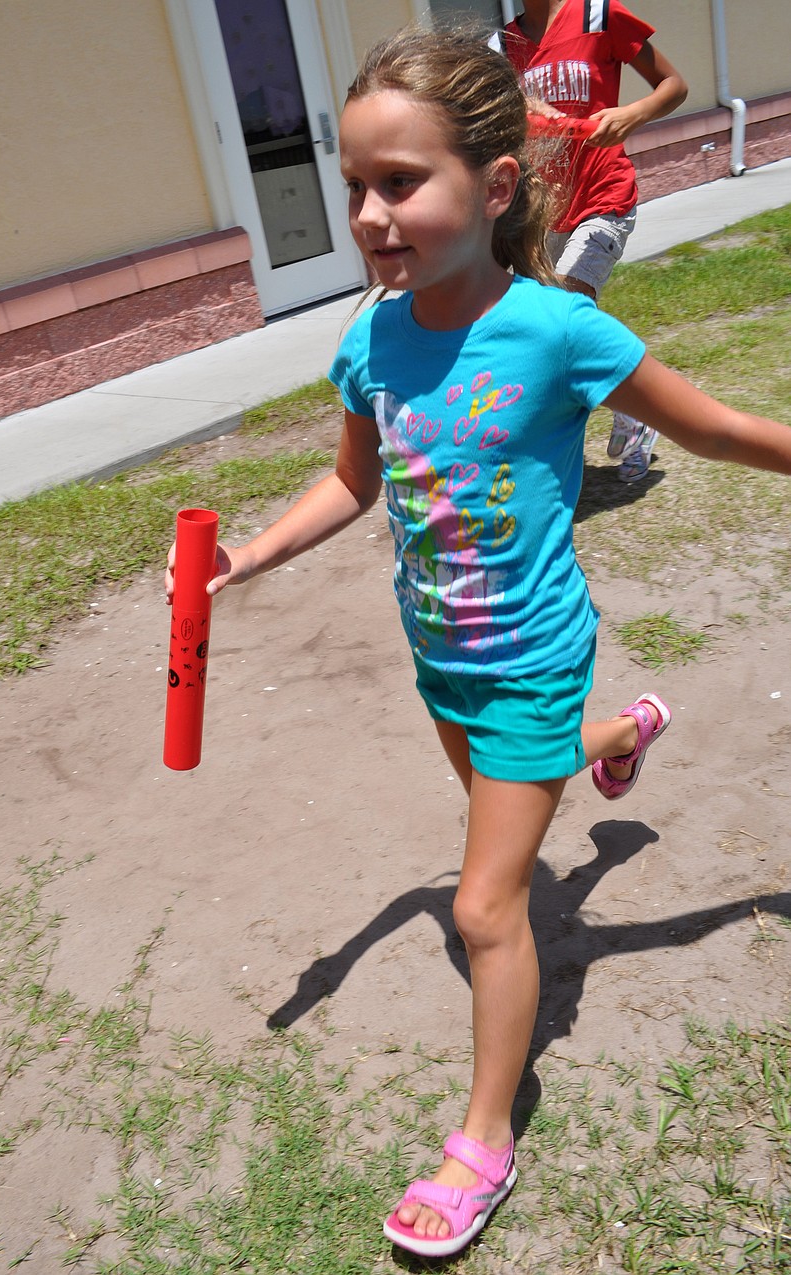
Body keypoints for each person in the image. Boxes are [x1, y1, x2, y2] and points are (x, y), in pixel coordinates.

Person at [165, 25, 791, 1259]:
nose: (367, 213)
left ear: (494, 187)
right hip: (439, 654)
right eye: (354, 185)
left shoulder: (558, 332)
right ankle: (626, 735)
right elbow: (352, 483)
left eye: (400, 181)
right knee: (530, 791)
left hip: (528, 657)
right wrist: (248, 557)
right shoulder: (368, 340)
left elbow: (709, 428)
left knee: (486, 906)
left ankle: (483, 1141)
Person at [499, 0, 688, 482]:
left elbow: (674, 86)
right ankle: (636, 412)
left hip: (606, 198)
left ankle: (563, 441)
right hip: (544, 213)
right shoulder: (503, 46)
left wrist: (633, 114)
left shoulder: (597, 15)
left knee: (565, 315)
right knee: (563, 325)